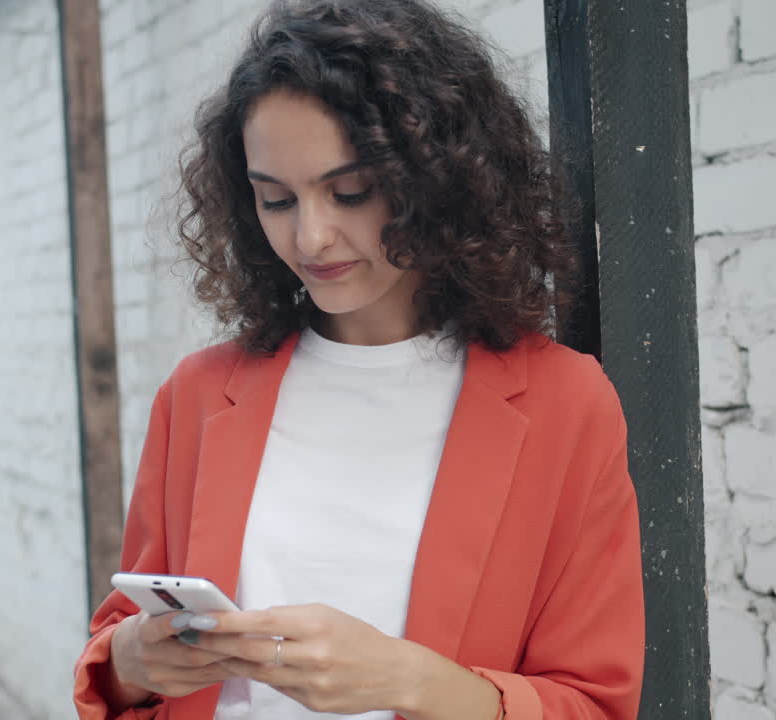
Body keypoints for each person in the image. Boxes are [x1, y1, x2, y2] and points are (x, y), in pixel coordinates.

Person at [73, 1, 644, 718]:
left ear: (440, 179)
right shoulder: (199, 393)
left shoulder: (564, 403)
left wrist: (410, 681)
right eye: (276, 200)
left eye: (351, 193)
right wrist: (132, 659)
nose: (311, 238)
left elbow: (594, 703)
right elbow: (122, 662)